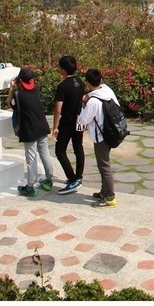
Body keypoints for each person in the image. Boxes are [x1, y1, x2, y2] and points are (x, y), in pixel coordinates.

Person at [7, 68, 54, 197]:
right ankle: (49, 180)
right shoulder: (35, 90)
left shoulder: (18, 95)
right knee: (45, 154)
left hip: (29, 129)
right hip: (42, 126)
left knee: (31, 158)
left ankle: (30, 187)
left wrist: (11, 89)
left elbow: (9, 104)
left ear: (20, 81)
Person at [78, 68, 119, 208]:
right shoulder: (107, 91)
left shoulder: (92, 102)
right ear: (100, 79)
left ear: (88, 82)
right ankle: (104, 191)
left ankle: (109, 197)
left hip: (100, 138)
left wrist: (84, 103)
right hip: (112, 133)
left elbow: (83, 120)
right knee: (104, 165)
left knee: (104, 167)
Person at [52, 55, 85, 194]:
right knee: (78, 147)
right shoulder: (80, 82)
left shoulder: (62, 86)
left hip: (67, 122)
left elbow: (58, 109)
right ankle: (78, 177)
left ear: (63, 69)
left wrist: (54, 127)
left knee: (60, 151)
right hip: (80, 119)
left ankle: (72, 180)